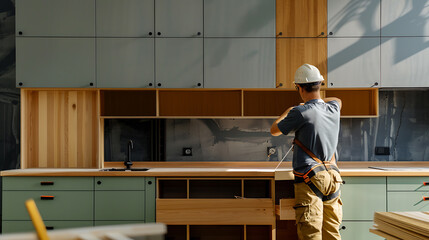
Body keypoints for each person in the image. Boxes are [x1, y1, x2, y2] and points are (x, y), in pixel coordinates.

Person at [271, 64, 343, 240]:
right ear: (320, 85)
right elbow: (338, 99)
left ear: (299, 88)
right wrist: (317, 102)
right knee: (332, 232)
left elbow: (274, 130)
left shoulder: (299, 112)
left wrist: (289, 111)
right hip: (333, 177)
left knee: (311, 233)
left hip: (310, 178)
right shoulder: (334, 108)